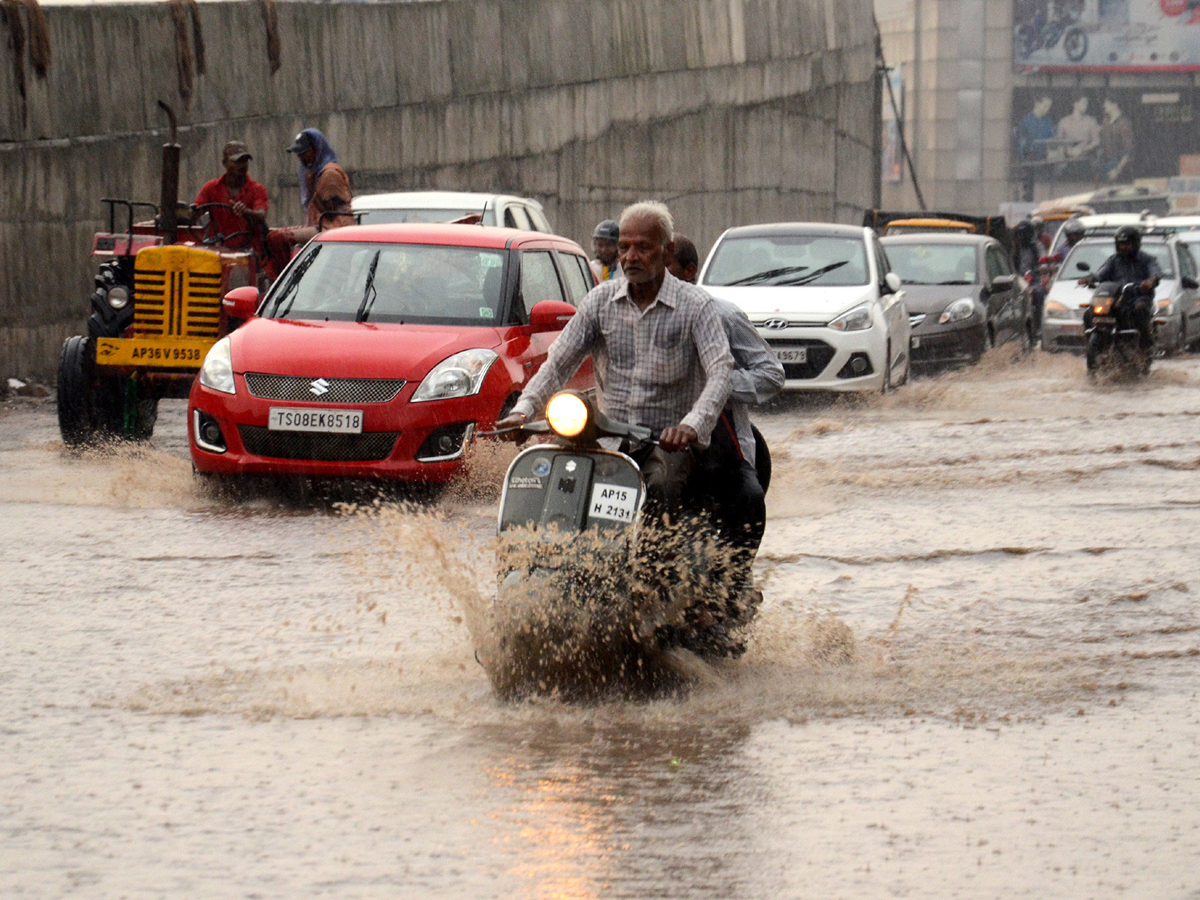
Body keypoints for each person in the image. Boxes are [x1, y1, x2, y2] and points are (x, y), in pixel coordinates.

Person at [497, 201, 733, 519]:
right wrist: (522, 410)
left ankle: (656, 565)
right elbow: (558, 364)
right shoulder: (600, 301)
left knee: (663, 486)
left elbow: (720, 370)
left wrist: (689, 426)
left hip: (666, 443)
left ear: (667, 251)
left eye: (643, 248)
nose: (630, 257)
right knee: (553, 480)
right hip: (605, 436)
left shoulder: (695, 306)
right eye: (624, 247)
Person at [666, 233, 783, 569]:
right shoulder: (630, 314)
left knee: (745, 500)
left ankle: (731, 584)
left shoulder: (724, 316)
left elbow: (772, 375)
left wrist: (716, 385)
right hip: (655, 443)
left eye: (666, 266)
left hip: (721, 446)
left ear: (688, 272)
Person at [1078, 225, 1160, 350]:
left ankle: (1145, 344)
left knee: (1141, 309)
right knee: (1089, 312)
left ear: (1136, 243)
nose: (1124, 247)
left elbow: (1155, 271)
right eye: (1121, 244)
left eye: (1127, 243)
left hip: (1138, 297)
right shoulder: (1113, 260)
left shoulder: (1147, 259)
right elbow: (1101, 274)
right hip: (1116, 299)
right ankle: (1090, 343)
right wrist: (1090, 279)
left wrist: (1151, 281)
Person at [192, 140, 269, 248]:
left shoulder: (257, 189)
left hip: (248, 252)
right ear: (224, 163)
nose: (241, 165)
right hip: (217, 250)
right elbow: (195, 213)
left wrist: (245, 212)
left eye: (244, 161)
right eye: (237, 161)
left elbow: (261, 215)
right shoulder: (211, 188)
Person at [287, 128, 354, 230]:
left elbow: (331, 213)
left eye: (304, 154)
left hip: (335, 232)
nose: (302, 159)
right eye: (299, 155)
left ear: (316, 150)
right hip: (322, 229)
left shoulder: (330, 174)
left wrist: (312, 187)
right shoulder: (315, 174)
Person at [1097, 98, 1134, 183]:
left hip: (1120, 167)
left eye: (1106, 103)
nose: (1104, 106)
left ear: (1115, 105)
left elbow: (1128, 152)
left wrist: (1117, 170)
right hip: (1104, 166)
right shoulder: (1105, 121)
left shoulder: (1124, 124)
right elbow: (1100, 142)